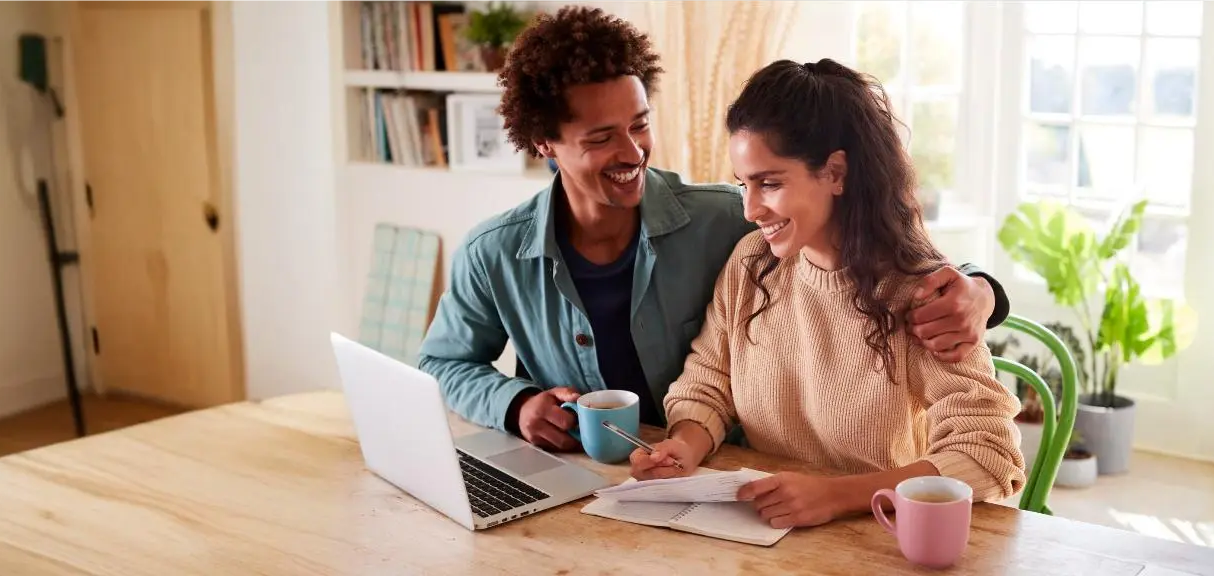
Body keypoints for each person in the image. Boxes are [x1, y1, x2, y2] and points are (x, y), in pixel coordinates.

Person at [417, 6, 1011, 452]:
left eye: (640, 124)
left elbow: (874, 241)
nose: (633, 152)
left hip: (717, 477)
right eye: (600, 138)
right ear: (546, 144)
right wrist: (516, 403)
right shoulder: (493, 253)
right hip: (591, 477)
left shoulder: (727, 217)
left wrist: (981, 289)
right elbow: (441, 366)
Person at [627, 59, 1025, 529]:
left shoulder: (922, 292)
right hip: (769, 528)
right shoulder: (753, 262)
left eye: (770, 183)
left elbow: (988, 451)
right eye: (744, 185)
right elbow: (709, 379)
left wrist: (837, 496)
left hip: (880, 535)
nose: (751, 208)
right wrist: (685, 444)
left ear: (835, 172)